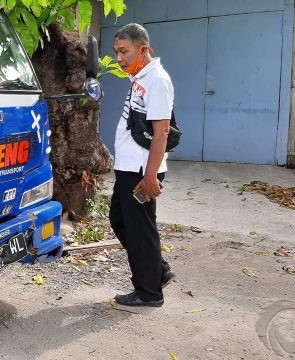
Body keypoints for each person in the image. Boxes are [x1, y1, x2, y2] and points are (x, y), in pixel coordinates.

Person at [109, 23, 176, 307]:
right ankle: (157, 271)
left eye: (124, 52)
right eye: (116, 52)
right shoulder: (140, 77)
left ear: (143, 49)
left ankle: (149, 293)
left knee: (140, 230)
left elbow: (161, 131)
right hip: (129, 167)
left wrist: (151, 177)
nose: (119, 58)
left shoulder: (156, 80)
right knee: (121, 221)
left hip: (140, 170)